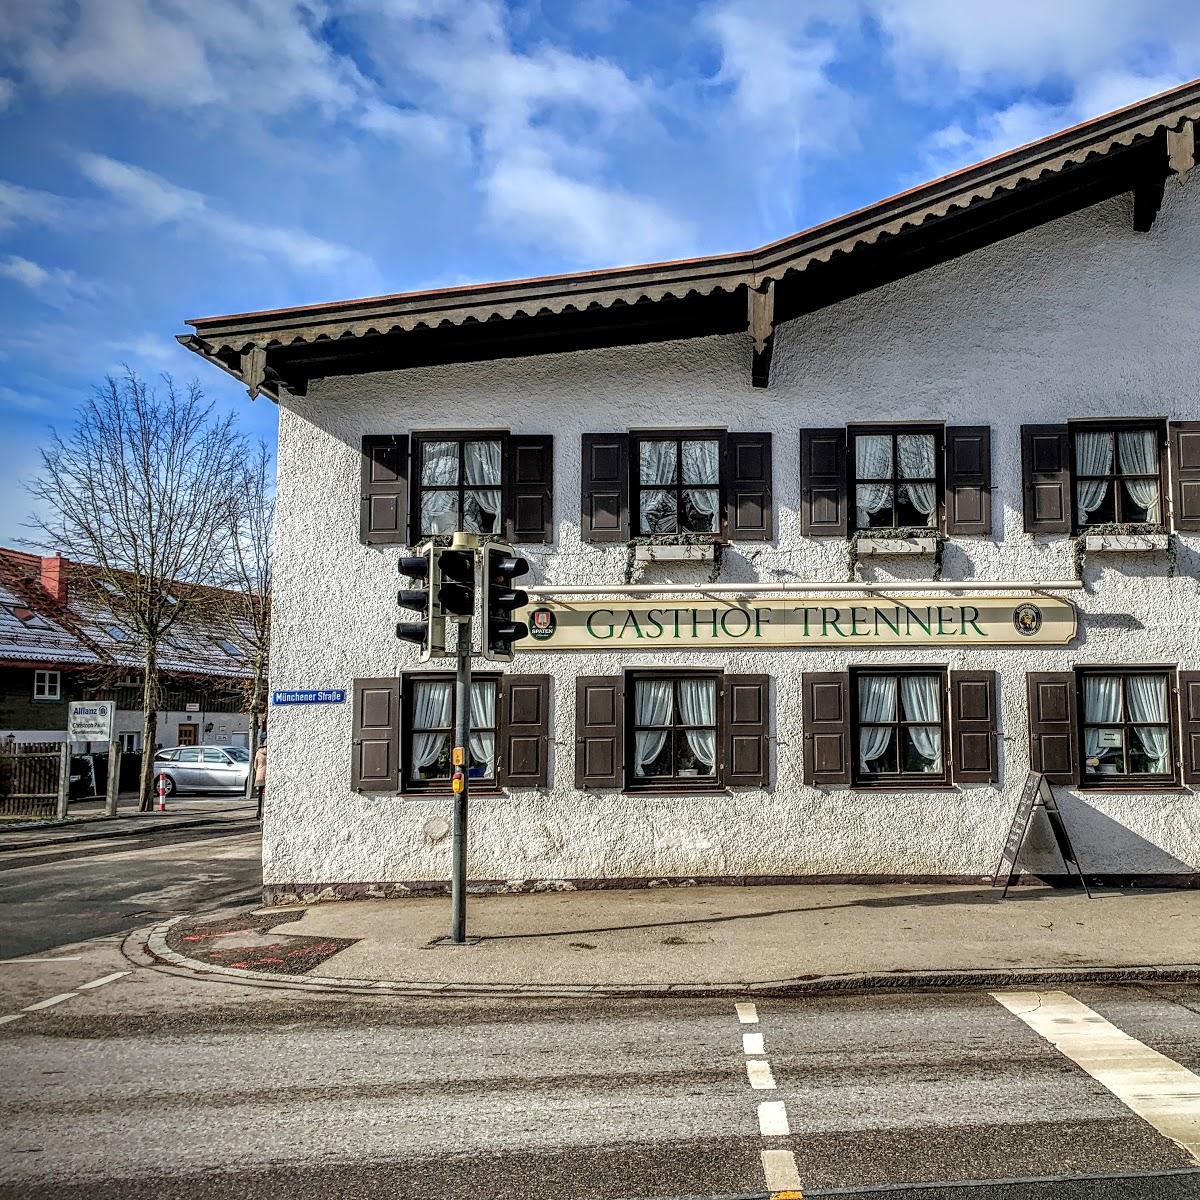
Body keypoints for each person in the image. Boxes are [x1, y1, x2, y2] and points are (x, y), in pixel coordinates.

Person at [253, 742, 267, 819]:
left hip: (260, 776)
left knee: (260, 795)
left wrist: (258, 771)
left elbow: (255, 765)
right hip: (267, 775)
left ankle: (259, 812)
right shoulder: (270, 752)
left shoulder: (258, 753)